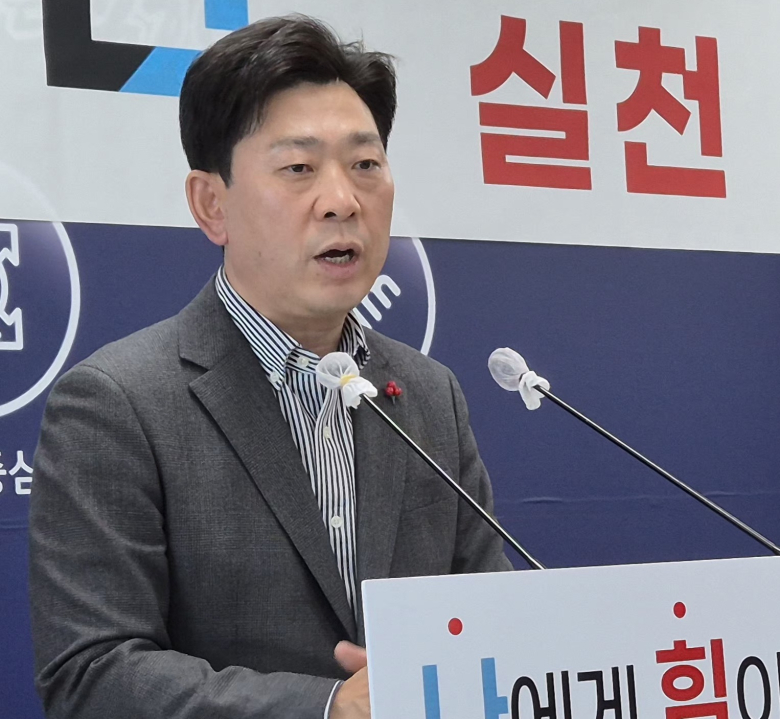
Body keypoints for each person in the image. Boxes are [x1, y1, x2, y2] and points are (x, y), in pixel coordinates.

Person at [28, 15, 512, 719]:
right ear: (212, 204)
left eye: (365, 164)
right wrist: (327, 707)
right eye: (298, 169)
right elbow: (91, 675)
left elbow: (489, 613)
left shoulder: (429, 394)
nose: (342, 200)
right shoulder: (118, 404)